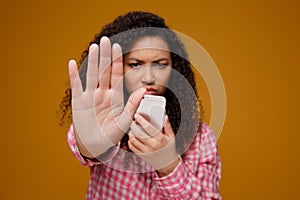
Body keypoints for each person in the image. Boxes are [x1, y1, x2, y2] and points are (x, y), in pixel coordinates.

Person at [60, 11, 221, 199]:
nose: (149, 78)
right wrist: (90, 145)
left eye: (160, 64)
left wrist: (169, 166)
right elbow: (86, 146)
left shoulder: (201, 139)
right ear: (117, 68)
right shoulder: (108, 122)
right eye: (135, 64)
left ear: (174, 68)